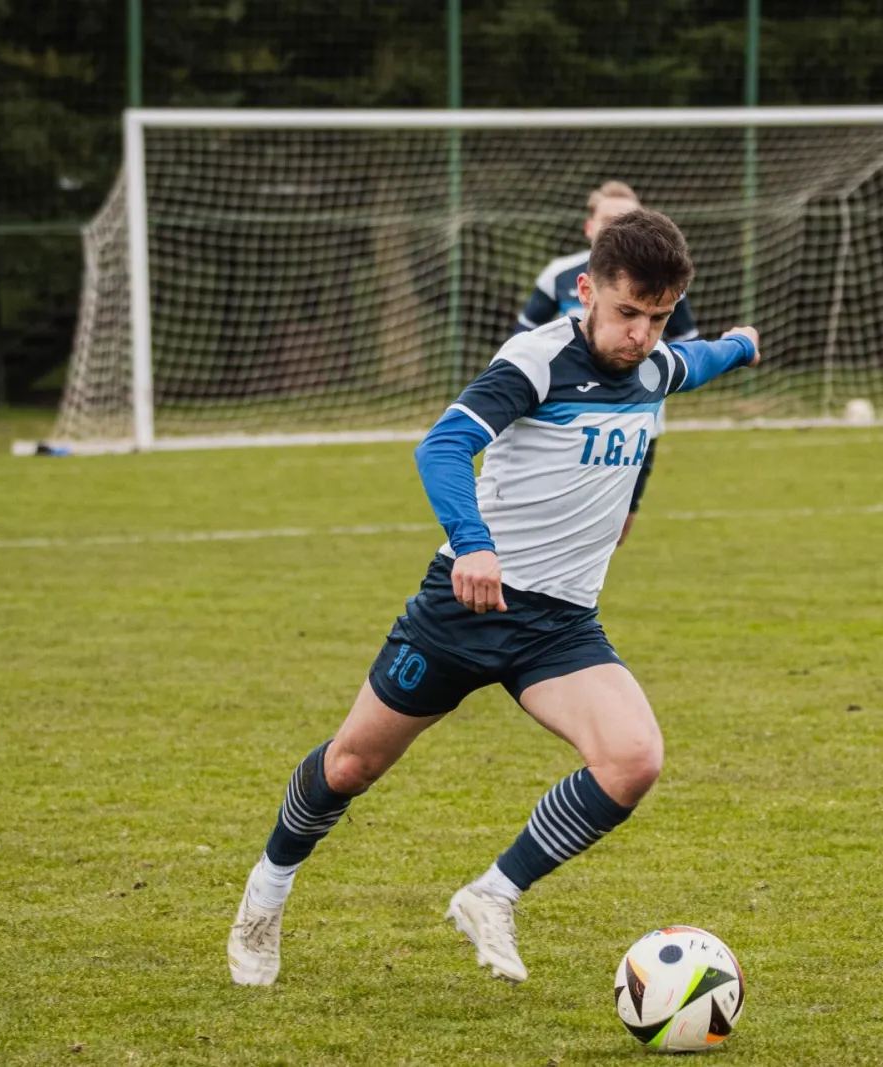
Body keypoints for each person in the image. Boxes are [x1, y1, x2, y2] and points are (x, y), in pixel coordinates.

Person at [227, 209, 761, 988]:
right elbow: (444, 445)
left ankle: (492, 893)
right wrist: (472, 541)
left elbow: (697, 359)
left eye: (658, 317)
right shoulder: (536, 360)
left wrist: (740, 345)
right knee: (349, 764)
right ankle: (266, 893)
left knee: (633, 758)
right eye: (626, 313)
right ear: (586, 292)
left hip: (560, 627)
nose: (641, 335)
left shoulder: (655, 367)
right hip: (465, 605)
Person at [517, 181, 701, 544]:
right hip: (569, 413)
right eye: (608, 221)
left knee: (614, 531)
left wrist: (655, 372)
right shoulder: (559, 275)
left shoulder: (662, 281)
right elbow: (522, 335)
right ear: (590, 228)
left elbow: (690, 342)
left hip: (637, 415)